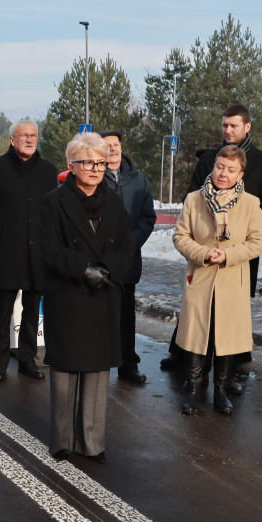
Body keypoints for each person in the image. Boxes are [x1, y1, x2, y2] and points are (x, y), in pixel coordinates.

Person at [162, 103, 262, 375]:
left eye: (233, 125)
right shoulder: (209, 158)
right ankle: (187, 359)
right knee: (197, 310)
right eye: (224, 125)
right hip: (205, 248)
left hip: (240, 251)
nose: (228, 130)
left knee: (234, 313)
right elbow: (193, 196)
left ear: (247, 127)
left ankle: (234, 368)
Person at [40, 132, 134, 463]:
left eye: (100, 162)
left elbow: (127, 244)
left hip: (103, 294)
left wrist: (107, 269)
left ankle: (91, 442)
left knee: (95, 372)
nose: (95, 168)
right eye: (87, 162)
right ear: (72, 166)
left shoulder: (115, 201)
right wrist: (83, 270)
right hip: (68, 293)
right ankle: (63, 440)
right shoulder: (54, 201)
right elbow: (48, 249)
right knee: (65, 371)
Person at [173, 146, 262, 415]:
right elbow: (181, 237)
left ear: (241, 174)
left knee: (227, 337)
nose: (223, 174)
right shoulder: (193, 200)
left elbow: (258, 242)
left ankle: (221, 391)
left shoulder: (250, 203)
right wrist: (203, 253)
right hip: (200, 277)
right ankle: (192, 390)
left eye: (231, 170)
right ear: (213, 167)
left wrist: (227, 254)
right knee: (196, 334)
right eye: (219, 167)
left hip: (232, 280)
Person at [0, 120, 59, 382]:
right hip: (8, 252)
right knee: (3, 311)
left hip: (39, 254)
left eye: (34, 135)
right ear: (12, 140)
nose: (30, 140)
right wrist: (1, 235)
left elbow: (53, 211)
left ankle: (27, 360)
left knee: (33, 310)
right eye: (24, 136)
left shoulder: (48, 171)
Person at [100, 130, 156, 385]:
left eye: (116, 144)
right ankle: (97, 362)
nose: (113, 148)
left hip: (128, 259)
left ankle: (128, 365)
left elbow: (147, 217)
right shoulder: (94, 176)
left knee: (126, 315)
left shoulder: (138, 179)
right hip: (99, 259)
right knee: (98, 313)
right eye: (108, 145)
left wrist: (130, 244)